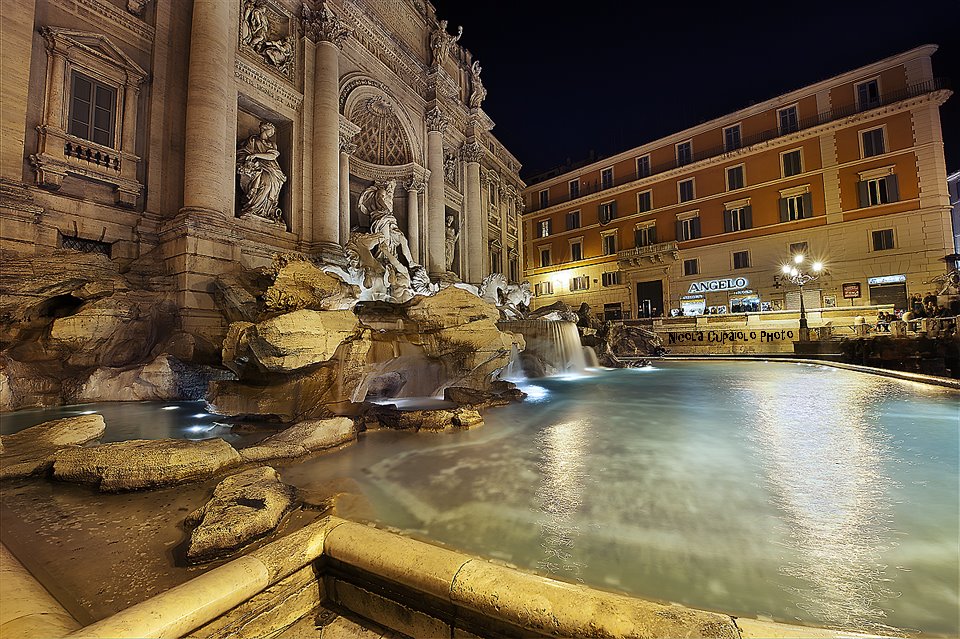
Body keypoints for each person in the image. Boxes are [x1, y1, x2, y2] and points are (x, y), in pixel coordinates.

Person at [236, 121, 286, 223]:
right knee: (265, 183)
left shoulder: (272, 144)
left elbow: (273, 156)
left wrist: (256, 155)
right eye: (270, 132)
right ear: (264, 129)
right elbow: (244, 152)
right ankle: (254, 208)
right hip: (259, 167)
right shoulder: (253, 140)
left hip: (272, 169)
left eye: (272, 133)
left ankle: (265, 211)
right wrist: (248, 160)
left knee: (272, 186)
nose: (271, 134)